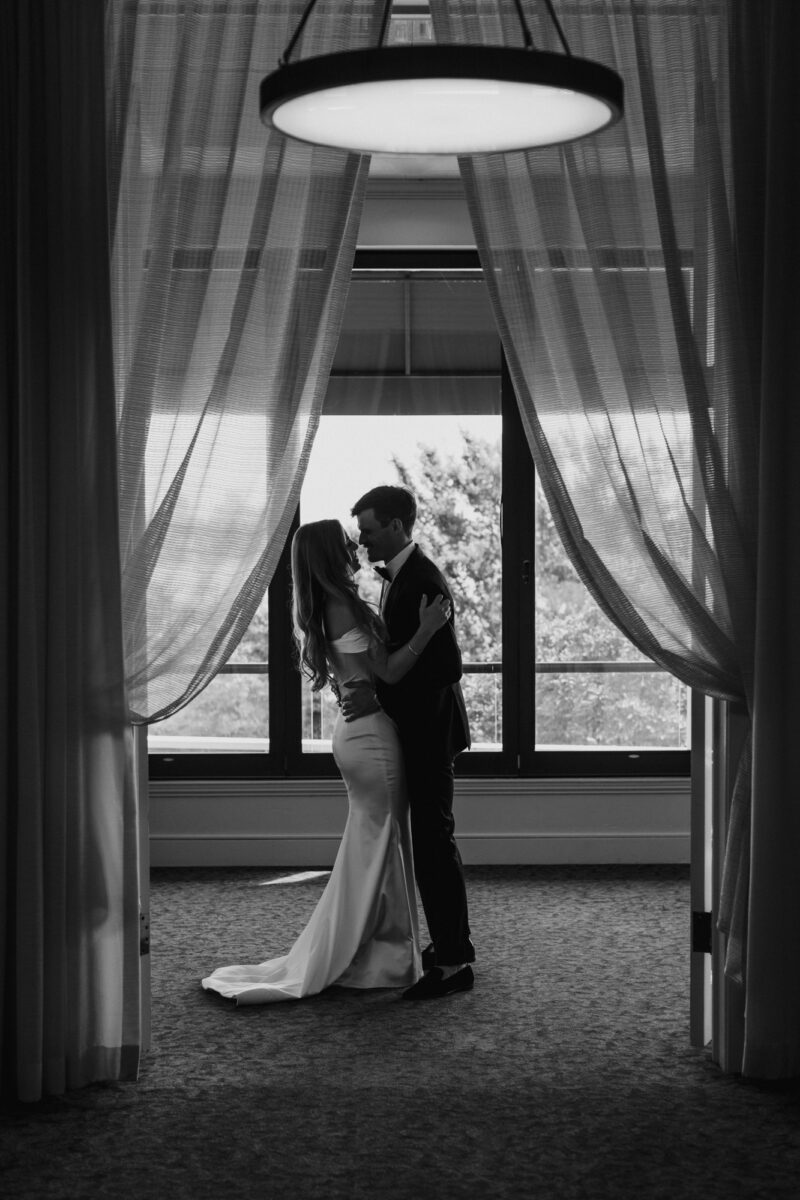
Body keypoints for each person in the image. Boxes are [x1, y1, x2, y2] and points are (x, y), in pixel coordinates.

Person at [201, 518, 451, 1004]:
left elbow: (361, 674)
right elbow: (392, 672)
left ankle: (381, 952)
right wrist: (426, 629)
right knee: (381, 844)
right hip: (372, 740)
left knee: (377, 844)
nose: (355, 545)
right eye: (345, 541)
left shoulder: (327, 605)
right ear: (327, 555)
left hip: (358, 734)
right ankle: (372, 956)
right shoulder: (342, 605)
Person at [347, 485, 475, 1000]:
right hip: (417, 731)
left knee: (434, 846)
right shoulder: (402, 575)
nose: (362, 540)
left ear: (398, 526)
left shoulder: (422, 579)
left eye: (370, 530)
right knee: (429, 844)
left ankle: (454, 961)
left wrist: (386, 688)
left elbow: (448, 667)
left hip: (428, 734)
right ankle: (448, 945)